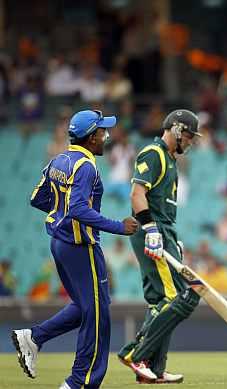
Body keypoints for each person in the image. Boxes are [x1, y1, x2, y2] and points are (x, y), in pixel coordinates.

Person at [12, 109, 139, 389]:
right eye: (102, 131)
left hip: (60, 243)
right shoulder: (86, 166)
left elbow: (37, 198)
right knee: (98, 317)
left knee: (87, 307)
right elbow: (79, 208)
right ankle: (79, 382)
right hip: (81, 247)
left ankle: (33, 338)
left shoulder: (60, 160)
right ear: (91, 137)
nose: (106, 136)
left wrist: (60, 214)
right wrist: (119, 227)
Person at [117, 109, 201, 384]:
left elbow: (163, 205)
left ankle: (153, 369)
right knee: (179, 298)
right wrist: (152, 229)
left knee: (160, 301)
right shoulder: (154, 153)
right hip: (152, 231)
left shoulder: (169, 159)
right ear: (176, 129)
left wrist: (171, 236)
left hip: (163, 232)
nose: (190, 141)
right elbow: (136, 193)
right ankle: (136, 354)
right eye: (188, 135)